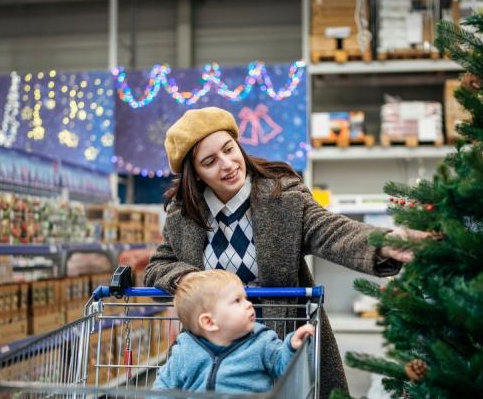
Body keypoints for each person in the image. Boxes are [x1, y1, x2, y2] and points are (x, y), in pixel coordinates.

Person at [144, 107, 429, 398]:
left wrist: (384, 241)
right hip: (212, 350)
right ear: (198, 175)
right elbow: (157, 267)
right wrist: (196, 283)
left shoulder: (283, 198)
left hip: (280, 344)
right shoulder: (184, 216)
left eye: (229, 149)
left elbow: (330, 229)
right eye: (210, 161)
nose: (228, 164)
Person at [153, 270, 315, 393]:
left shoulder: (262, 341)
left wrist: (291, 347)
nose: (249, 304)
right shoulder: (185, 351)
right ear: (209, 322)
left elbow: (282, 366)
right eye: (237, 300)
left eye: (245, 298)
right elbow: (163, 386)